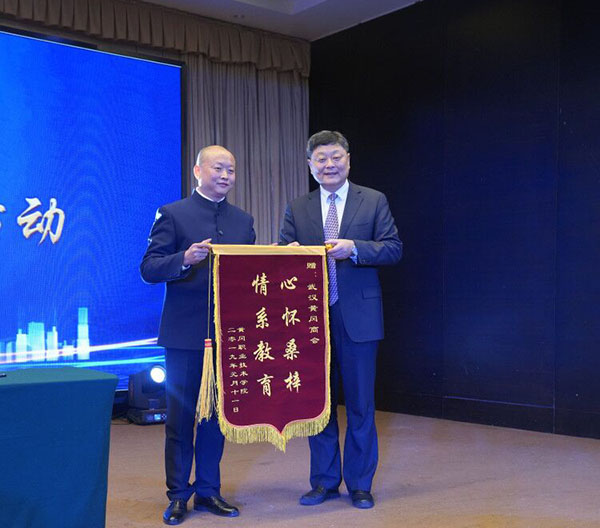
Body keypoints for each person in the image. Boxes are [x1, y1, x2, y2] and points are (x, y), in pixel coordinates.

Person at [279, 130, 402, 510]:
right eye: (321, 159)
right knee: (318, 404)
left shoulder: (373, 200)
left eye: (336, 157)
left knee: (361, 404)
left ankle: (361, 484)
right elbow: (280, 256)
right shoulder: (297, 207)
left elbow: (393, 249)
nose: (329, 165)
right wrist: (288, 256)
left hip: (359, 318)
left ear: (348, 159)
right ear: (310, 165)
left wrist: (356, 249)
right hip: (311, 321)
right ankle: (324, 481)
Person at [141, 145, 255, 525]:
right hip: (184, 337)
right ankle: (178, 495)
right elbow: (149, 268)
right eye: (218, 168)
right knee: (180, 419)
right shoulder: (172, 214)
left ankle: (208, 491)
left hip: (227, 336)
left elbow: (249, 276)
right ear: (197, 171)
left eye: (231, 170)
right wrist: (184, 259)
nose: (225, 176)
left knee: (216, 420)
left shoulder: (243, 221)